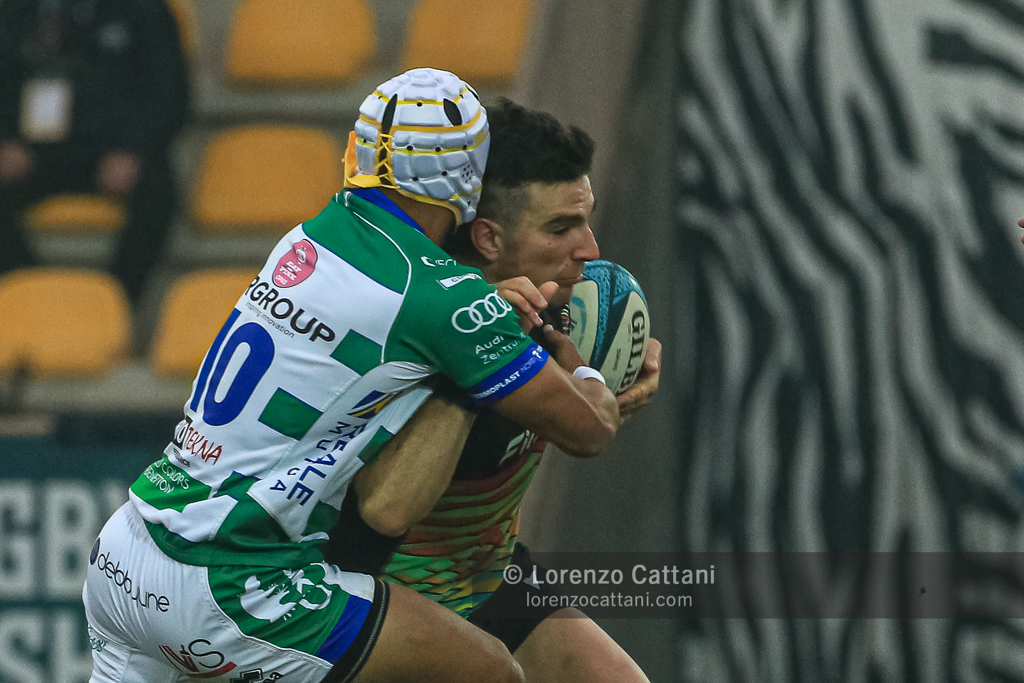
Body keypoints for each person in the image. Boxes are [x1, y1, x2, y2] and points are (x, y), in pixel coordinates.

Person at [82, 69, 621, 683]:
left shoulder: (313, 233)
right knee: (491, 672)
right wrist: (582, 362)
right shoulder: (447, 299)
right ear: (470, 181)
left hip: (127, 549)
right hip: (231, 581)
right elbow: (589, 430)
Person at [324, 98, 662, 682]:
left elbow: (591, 394)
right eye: (561, 228)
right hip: (383, 596)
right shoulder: (407, 329)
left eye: (587, 220)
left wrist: (623, 367)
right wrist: (476, 374)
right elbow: (383, 509)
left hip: (490, 577)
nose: (590, 249)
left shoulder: (556, 299)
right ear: (488, 238)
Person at [0, 0, 189, 303]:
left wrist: (132, 148)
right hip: (31, 151)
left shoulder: (145, 10)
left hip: (113, 151)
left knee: (158, 188)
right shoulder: (15, 10)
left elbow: (171, 93)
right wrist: (5, 139)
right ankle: (31, 298)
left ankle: (116, 301)